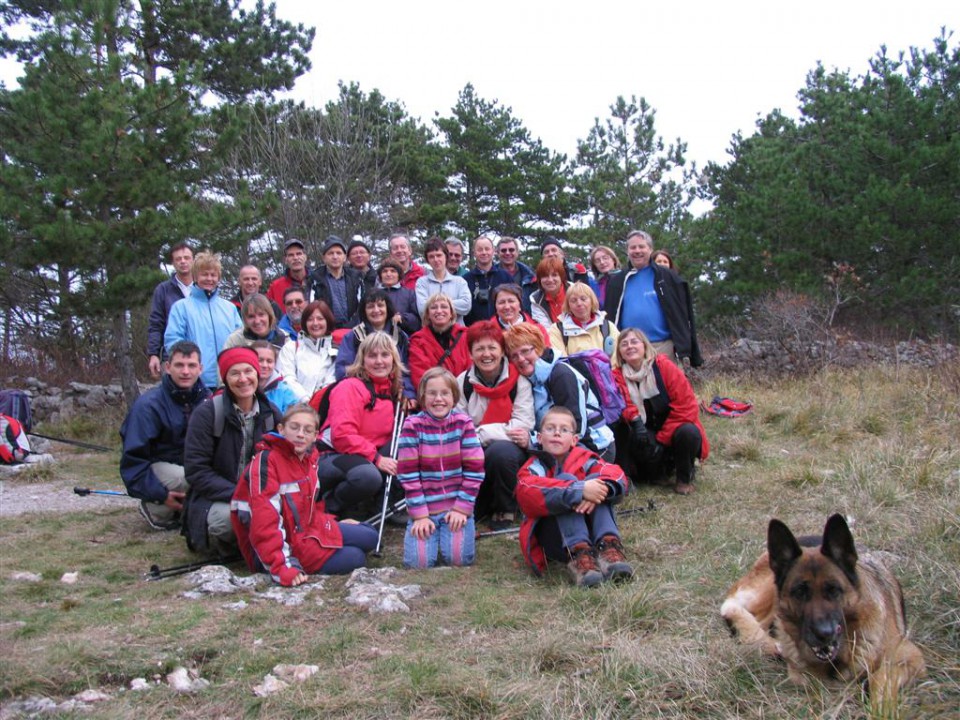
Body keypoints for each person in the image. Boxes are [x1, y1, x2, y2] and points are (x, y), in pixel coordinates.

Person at [232, 404, 379, 585]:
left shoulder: (308, 460)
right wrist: (282, 568)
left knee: (371, 536)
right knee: (356, 558)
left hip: (308, 531)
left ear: (315, 436)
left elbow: (307, 507)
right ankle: (302, 557)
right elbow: (263, 524)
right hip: (284, 545)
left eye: (307, 430)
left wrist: (331, 522)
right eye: (294, 427)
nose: (300, 434)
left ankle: (332, 540)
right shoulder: (267, 462)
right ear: (281, 429)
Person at [516, 406, 633, 587]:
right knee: (568, 482)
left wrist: (598, 489)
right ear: (539, 438)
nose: (556, 433)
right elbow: (525, 491)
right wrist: (578, 491)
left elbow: (615, 474)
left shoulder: (585, 458)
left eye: (564, 430)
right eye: (550, 428)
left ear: (574, 439)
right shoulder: (534, 467)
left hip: (591, 531)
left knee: (598, 482)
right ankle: (579, 556)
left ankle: (608, 548)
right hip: (556, 539)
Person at [183, 347, 280, 556]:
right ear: (225, 378)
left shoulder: (271, 414)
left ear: (257, 373)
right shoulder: (208, 414)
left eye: (248, 371)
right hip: (218, 497)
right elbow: (196, 470)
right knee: (230, 521)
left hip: (262, 495)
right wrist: (240, 495)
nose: (243, 379)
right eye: (235, 373)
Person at [397, 368, 485, 568]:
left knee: (458, 560)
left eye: (444, 393)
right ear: (422, 396)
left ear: (453, 396)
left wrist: (462, 509)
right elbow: (408, 475)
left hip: (455, 508)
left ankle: (457, 531)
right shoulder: (412, 426)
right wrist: (420, 515)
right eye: (432, 393)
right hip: (426, 507)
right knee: (417, 564)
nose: (439, 399)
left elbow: (475, 471)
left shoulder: (464, 424)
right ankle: (426, 531)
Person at [120, 341, 211, 530]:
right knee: (189, 479)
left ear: (200, 369)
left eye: (191, 365)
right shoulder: (148, 406)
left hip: (193, 463)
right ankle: (156, 508)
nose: (185, 372)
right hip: (159, 468)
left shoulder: (208, 400)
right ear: (168, 367)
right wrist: (159, 494)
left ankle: (191, 508)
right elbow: (133, 462)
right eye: (179, 365)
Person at [455, 320, 535, 530]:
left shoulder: (519, 382)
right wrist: (477, 436)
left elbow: (521, 425)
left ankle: (505, 508)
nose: (486, 354)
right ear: (470, 354)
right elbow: (457, 424)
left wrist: (479, 433)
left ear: (502, 351)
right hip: (472, 450)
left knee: (501, 452)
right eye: (479, 349)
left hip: (507, 451)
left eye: (492, 347)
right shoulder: (462, 382)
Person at [317, 332, 405, 518]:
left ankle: (382, 503)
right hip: (332, 455)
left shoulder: (390, 391)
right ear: (362, 360)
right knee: (368, 476)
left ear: (393, 359)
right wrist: (376, 458)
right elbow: (342, 435)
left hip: (362, 454)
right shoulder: (349, 387)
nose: (379, 361)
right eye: (372, 356)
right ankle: (329, 506)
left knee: (405, 439)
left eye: (385, 355)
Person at [612, 328, 709, 494]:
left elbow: (686, 406)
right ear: (619, 352)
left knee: (689, 431)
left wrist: (662, 438)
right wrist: (636, 422)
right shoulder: (616, 375)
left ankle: (683, 478)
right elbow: (621, 404)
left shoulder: (664, 367)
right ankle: (629, 477)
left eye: (634, 342)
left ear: (645, 346)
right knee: (619, 428)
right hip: (644, 433)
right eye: (624, 344)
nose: (630, 347)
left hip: (670, 432)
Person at [504, 322, 615, 462]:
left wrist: (533, 439)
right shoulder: (529, 380)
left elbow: (574, 428)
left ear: (538, 348)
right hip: (555, 445)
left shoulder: (561, 374)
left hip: (594, 446)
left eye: (526, 351)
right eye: (514, 356)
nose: (521, 359)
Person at [603, 230, 702, 367]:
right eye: (633, 247)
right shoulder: (617, 281)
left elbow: (684, 314)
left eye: (641, 246)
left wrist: (686, 347)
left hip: (664, 347)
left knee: (668, 388)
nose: (637, 250)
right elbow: (610, 318)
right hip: (630, 349)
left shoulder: (667, 277)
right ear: (627, 251)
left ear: (650, 249)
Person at [163, 251, 242, 390]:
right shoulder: (181, 308)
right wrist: (187, 369)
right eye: (204, 274)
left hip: (228, 380)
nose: (209, 279)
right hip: (195, 382)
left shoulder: (230, 308)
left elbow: (240, 340)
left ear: (218, 278)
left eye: (213, 275)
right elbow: (173, 342)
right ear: (195, 276)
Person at [335, 290, 414, 402]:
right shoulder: (353, 337)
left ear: (388, 308)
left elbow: (407, 370)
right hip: (362, 396)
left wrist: (409, 394)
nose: (376, 310)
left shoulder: (400, 336)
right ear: (364, 311)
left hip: (394, 396)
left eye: (380, 305)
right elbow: (342, 370)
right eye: (370, 307)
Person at [147, 242, 193, 379]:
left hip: (202, 356)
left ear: (193, 260)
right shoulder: (163, 290)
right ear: (173, 262)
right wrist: (153, 354)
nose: (183, 262)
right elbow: (156, 324)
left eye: (186, 257)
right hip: (173, 357)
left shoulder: (203, 288)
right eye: (178, 259)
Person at [408, 293, 472, 390]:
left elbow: (472, 369)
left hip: (464, 394)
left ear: (451, 313)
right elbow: (420, 374)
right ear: (428, 314)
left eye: (444, 307)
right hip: (434, 396)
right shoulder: (418, 341)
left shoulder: (466, 336)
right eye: (433, 307)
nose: (439, 311)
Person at [276, 300, 337, 399]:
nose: (315, 323)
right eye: (310, 319)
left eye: (320, 318)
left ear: (328, 321)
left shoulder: (336, 351)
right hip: (296, 409)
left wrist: (317, 403)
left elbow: (332, 382)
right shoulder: (290, 348)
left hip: (325, 408)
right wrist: (306, 401)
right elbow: (287, 378)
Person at [547, 282, 619, 357]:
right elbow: (561, 361)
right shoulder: (557, 330)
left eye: (583, 299)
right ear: (568, 306)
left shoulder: (608, 327)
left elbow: (616, 358)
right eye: (573, 300)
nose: (579, 303)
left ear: (592, 301)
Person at [311, 235, 365, 330]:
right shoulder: (315, 278)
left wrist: (352, 325)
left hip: (353, 330)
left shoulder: (356, 278)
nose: (335, 257)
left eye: (339, 253)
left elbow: (362, 305)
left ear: (344, 257)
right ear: (324, 258)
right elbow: (312, 306)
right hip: (325, 330)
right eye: (330, 253)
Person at [414, 237, 472, 321]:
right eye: (431, 257)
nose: (436, 260)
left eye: (439, 255)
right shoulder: (422, 283)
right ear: (427, 260)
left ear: (446, 256)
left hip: (456, 332)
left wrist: (434, 306)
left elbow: (466, 306)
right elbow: (422, 310)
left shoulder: (460, 282)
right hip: (431, 332)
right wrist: (451, 305)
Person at [464, 235, 512, 326]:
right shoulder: (466, 280)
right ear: (474, 253)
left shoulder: (505, 277)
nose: (484, 252)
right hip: (474, 331)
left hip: (502, 329)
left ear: (493, 251)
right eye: (480, 249)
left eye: (487, 249)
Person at [252, 341, 307, 414]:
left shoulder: (284, 391)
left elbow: (293, 417)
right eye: (260, 360)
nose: (265, 365)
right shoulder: (242, 386)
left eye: (269, 361)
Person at [222, 294, 289, 352]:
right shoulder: (235, 341)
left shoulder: (285, 340)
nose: (257, 321)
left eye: (261, 314)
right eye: (251, 316)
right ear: (245, 319)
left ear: (269, 315)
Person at [377, 259, 421, 336]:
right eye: (385, 271)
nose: (388, 274)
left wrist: (402, 318)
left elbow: (416, 320)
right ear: (380, 275)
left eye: (393, 271)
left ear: (399, 275)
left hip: (402, 337)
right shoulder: (372, 294)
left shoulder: (409, 294)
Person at [266, 239, 313, 307]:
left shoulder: (318, 281)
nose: (295, 258)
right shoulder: (275, 287)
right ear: (285, 260)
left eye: (299, 253)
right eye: (291, 255)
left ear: (305, 257)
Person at [495, 236, 536, 311]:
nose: (507, 253)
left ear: (517, 252)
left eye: (511, 250)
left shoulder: (530, 277)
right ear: (498, 253)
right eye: (503, 250)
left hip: (525, 319)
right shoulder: (490, 276)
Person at [529, 257, 569, 329]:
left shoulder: (575, 291)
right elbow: (545, 329)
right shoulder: (536, 301)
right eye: (545, 276)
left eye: (554, 275)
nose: (550, 280)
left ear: (561, 277)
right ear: (539, 279)